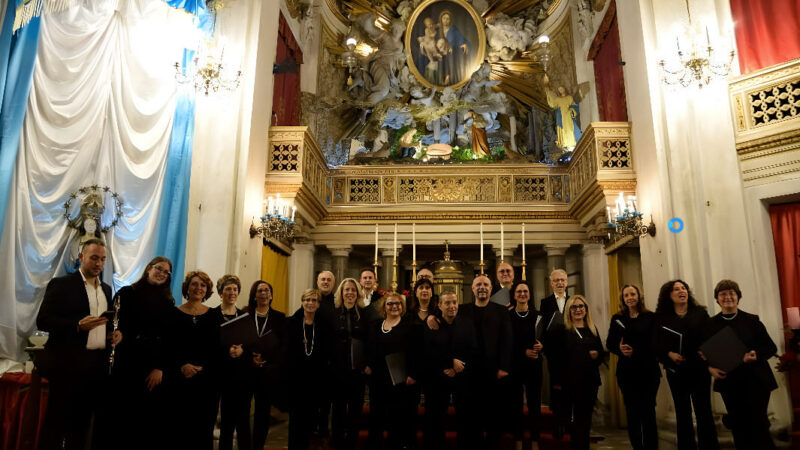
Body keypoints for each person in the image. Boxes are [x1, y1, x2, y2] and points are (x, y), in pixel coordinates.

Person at [37, 238, 117, 450]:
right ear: (81, 257)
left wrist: (113, 335)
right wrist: (76, 325)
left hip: (96, 366)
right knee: (57, 422)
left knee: (82, 424)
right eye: (93, 258)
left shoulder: (107, 290)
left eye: (102, 259)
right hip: (67, 365)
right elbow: (43, 320)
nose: (98, 263)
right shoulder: (62, 284)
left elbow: (104, 324)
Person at [703, 279, 777, 450]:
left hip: (756, 381)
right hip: (730, 382)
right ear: (717, 299)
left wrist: (756, 355)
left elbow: (770, 347)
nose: (727, 297)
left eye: (731, 293)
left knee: (759, 426)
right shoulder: (710, 325)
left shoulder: (752, 320)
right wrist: (709, 368)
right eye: (723, 294)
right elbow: (704, 354)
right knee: (738, 427)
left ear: (738, 297)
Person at [113, 256, 175, 450]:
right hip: (126, 363)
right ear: (149, 268)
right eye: (159, 268)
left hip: (152, 366)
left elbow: (168, 340)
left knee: (148, 420)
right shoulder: (126, 293)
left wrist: (160, 367)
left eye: (166, 272)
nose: (162, 274)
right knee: (123, 417)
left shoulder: (168, 302)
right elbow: (115, 325)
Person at [655, 280, 719, 450]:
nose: (681, 291)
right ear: (669, 295)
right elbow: (656, 343)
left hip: (698, 369)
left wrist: (707, 353)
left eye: (683, 288)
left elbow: (710, 338)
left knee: (703, 411)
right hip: (676, 370)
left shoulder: (700, 313)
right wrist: (669, 354)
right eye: (676, 289)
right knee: (682, 413)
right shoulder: (662, 318)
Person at [458, 274, 512, 449]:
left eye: (485, 284)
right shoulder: (462, 309)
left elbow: (507, 340)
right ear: (472, 289)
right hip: (468, 370)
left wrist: (504, 366)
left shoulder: (501, 311)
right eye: (478, 284)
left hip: (493, 370)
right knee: (470, 415)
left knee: (492, 415)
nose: (482, 287)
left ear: (491, 289)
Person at [606, 285, 660, 450]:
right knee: (632, 413)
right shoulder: (617, 318)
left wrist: (639, 349)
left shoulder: (650, 317)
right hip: (627, 373)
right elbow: (610, 343)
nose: (630, 297)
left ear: (639, 296)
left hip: (648, 371)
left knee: (648, 412)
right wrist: (619, 349)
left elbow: (656, 342)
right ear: (623, 298)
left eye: (633, 294)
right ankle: (637, 447)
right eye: (626, 295)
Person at [422, 289, 476, 450]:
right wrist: (450, 362)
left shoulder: (467, 323)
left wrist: (459, 368)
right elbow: (428, 352)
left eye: (454, 302)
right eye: (447, 303)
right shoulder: (432, 324)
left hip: (462, 378)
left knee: (465, 422)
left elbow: (473, 350)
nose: (452, 306)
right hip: (437, 380)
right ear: (439, 305)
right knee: (435, 422)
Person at [171, 270, 219, 450]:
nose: (198, 288)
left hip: (207, 382)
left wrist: (202, 367)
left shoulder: (215, 315)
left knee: (204, 430)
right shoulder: (174, 314)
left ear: (207, 290)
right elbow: (169, 346)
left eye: (203, 285)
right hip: (179, 379)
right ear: (187, 288)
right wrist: (182, 365)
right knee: (179, 430)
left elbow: (217, 349)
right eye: (194, 284)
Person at [365, 292, 419, 450]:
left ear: (402, 307)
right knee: (376, 417)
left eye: (398, 303)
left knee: (397, 419)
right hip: (378, 380)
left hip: (400, 381)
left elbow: (416, 353)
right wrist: (368, 364)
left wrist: (413, 374)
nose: (394, 306)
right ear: (384, 307)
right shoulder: (375, 326)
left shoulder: (410, 327)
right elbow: (369, 349)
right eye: (390, 304)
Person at [288, 289, 332, 450]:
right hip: (296, 380)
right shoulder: (291, 323)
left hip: (316, 381)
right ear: (302, 302)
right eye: (307, 300)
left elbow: (328, 353)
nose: (310, 303)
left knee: (310, 422)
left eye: (314, 300)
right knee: (295, 422)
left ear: (318, 304)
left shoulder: (324, 326)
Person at [558, 296, 604, 450]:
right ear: (569, 311)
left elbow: (601, 353)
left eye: (581, 306)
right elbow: (560, 356)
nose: (578, 310)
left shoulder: (592, 328)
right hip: (572, 382)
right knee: (574, 421)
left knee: (586, 420)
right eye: (574, 307)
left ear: (586, 309)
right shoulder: (564, 331)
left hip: (590, 382)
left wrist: (597, 355)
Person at [246, 280, 288, 450]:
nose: (263, 293)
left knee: (263, 414)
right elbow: (239, 340)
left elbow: (283, 345)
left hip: (268, 371)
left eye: (267, 290)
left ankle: (258, 446)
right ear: (254, 295)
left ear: (271, 295)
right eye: (260, 290)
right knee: (243, 413)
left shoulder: (279, 317)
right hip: (247, 370)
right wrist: (251, 357)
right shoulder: (246, 315)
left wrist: (268, 360)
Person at [212, 274, 250, 450]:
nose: (232, 292)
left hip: (236, 375)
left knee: (231, 421)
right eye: (228, 289)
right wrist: (226, 351)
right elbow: (206, 345)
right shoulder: (211, 316)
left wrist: (243, 350)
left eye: (235, 289)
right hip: (216, 371)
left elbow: (250, 344)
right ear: (220, 292)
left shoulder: (244, 317)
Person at [331, 278, 368, 450]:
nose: (350, 293)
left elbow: (370, 341)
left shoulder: (364, 314)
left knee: (355, 412)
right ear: (341, 292)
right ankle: (338, 444)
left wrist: (367, 364)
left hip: (357, 371)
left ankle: (351, 444)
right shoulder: (334, 313)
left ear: (358, 293)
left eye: (353, 290)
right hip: (338, 371)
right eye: (347, 290)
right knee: (338, 412)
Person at [508, 280, 544, 450]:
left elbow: (544, 339)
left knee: (534, 404)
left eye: (525, 291)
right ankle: (519, 439)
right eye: (519, 291)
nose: (522, 294)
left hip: (534, 366)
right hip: (515, 365)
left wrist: (541, 346)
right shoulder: (508, 316)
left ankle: (535, 440)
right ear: (514, 295)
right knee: (515, 405)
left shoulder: (538, 316)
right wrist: (523, 352)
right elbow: (506, 342)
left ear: (529, 294)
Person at [540, 268, 569, 438]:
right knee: (556, 388)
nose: (559, 283)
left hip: (572, 353)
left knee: (570, 390)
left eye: (562, 280)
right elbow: (542, 327)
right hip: (554, 353)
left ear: (566, 282)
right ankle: (557, 424)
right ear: (551, 283)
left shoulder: (574, 300)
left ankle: (569, 423)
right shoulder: (545, 303)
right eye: (556, 280)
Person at [315, 270, 336, 436]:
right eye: (323, 279)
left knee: (327, 401)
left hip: (332, 359)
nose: (325, 282)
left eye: (329, 280)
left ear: (333, 283)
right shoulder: (311, 300)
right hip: (313, 358)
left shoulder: (338, 302)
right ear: (317, 282)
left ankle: (324, 432)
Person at [438, 10, 471, 85]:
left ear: (450, 20)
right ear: (441, 19)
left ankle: (448, 76)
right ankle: (445, 77)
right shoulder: (438, 30)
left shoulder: (454, 29)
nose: (445, 20)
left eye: (448, 19)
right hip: (441, 50)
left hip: (452, 50)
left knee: (450, 55)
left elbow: (460, 40)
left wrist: (463, 45)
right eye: (444, 18)